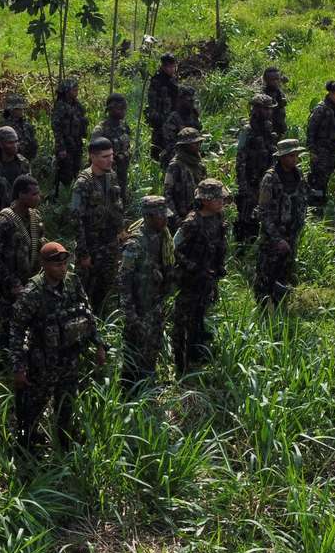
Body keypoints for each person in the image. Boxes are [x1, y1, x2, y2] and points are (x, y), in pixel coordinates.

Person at [7, 242, 106, 454]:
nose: (62, 268)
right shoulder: (33, 292)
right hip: (43, 362)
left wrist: (98, 344)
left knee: (66, 405)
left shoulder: (72, 282)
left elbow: (87, 313)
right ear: (44, 265)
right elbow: (16, 329)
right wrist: (19, 367)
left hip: (69, 359)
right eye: (56, 265)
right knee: (33, 408)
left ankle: (64, 445)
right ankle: (26, 449)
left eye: (64, 264)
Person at [118, 196, 176, 391]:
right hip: (138, 308)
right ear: (149, 217)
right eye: (161, 216)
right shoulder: (135, 243)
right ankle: (130, 392)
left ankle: (148, 387)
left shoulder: (163, 237)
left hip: (155, 305)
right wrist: (130, 314)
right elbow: (124, 281)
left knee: (152, 347)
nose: (165, 220)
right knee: (135, 351)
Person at [172, 179, 229, 374]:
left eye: (221, 198)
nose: (221, 201)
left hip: (207, 280)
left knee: (199, 318)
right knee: (183, 322)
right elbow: (173, 248)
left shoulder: (218, 218)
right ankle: (181, 364)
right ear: (205, 200)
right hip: (190, 281)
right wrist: (192, 267)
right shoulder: (192, 223)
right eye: (217, 198)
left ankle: (196, 354)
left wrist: (218, 267)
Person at [0, 175, 45, 354]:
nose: (38, 197)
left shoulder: (35, 217)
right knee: (9, 323)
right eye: (34, 194)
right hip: (10, 284)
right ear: (21, 195)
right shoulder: (4, 221)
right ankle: (6, 358)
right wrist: (11, 282)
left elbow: (39, 243)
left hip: (31, 279)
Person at [71, 137, 126, 311]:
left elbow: (116, 205)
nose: (110, 159)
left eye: (111, 155)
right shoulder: (83, 183)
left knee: (106, 286)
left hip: (109, 243)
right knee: (85, 289)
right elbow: (76, 220)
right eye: (105, 156)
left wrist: (120, 230)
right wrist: (83, 253)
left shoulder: (112, 176)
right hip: (91, 244)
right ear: (93, 157)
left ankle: (101, 316)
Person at [253, 140, 308, 307]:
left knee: (284, 273)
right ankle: (263, 309)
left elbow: (302, 200)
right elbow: (263, 212)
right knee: (266, 273)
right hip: (273, 236)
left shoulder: (298, 175)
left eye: (296, 155)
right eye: (291, 155)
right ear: (282, 157)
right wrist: (277, 238)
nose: (295, 159)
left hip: (291, 233)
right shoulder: (270, 179)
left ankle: (280, 307)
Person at [233, 94, 278, 245]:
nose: (269, 112)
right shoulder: (247, 131)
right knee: (246, 217)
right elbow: (240, 160)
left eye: (270, 109)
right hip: (250, 181)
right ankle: (242, 248)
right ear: (257, 109)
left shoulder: (268, 128)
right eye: (266, 109)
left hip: (264, 179)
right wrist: (243, 186)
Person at [305, 81, 335, 217]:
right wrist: (312, 150)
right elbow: (311, 129)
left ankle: (320, 205)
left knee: (325, 178)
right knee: (317, 179)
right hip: (320, 150)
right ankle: (313, 208)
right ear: (331, 93)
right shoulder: (321, 109)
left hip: (331, 150)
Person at [163, 127, 208, 230]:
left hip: (198, 215)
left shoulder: (199, 165)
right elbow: (167, 194)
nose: (197, 145)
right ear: (184, 146)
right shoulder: (175, 166)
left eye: (198, 142)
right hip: (181, 216)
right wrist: (176, 219)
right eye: (193, 143)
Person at [91, 93, 133, 201]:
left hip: (122, 172)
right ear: (111, 109)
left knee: (121, 199)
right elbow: (93, 154)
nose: (123, 111)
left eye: (124, 108)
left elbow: (128, 146)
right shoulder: (100, 129)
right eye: (120, 109)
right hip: (105, 175)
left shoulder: (124, 127)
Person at [52, 78, 88, 200]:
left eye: (77, 89)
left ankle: (74, 197)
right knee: (65, 173)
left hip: (76, 143)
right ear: (67, 91)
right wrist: (61, 147)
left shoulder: (77, 105)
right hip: (65, 145)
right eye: (74, 89)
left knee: (76, 170)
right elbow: (57, 128)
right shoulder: (60, 106)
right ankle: (60, 198)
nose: (76, 91)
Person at [146, 53, 179, 161]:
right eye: (169, 67)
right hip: (160, 116)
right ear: (163, 66)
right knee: (158, 142)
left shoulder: (173, 79)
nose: (171, 69)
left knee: (171, 142)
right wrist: (155, 116)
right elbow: (152, 100)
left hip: (171, 115)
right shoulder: (157, 80)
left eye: (173, 66)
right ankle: (155, 162)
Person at [161, 86, 201, 166]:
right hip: (177, 151)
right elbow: (170, 142)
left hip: (192, 150)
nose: (191, 103)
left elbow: (198, 132)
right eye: (189, 100)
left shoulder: (193, 115)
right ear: (181, 100)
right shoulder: (174, 117)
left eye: (192, 100)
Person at [0, 94, 38, 163]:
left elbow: (33, 143)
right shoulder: (5, 126)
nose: (21, 111)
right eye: (18, 109)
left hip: (27, 160)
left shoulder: (27, 125)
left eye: (21, 109)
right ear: (11, 110)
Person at [257, 66, 289, 138]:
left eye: (277, 79)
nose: (275, 82)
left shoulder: (279, 92)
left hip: (280, 126)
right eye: (272, 80)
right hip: (267, 131)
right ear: (266, 80)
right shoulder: (262, 96)